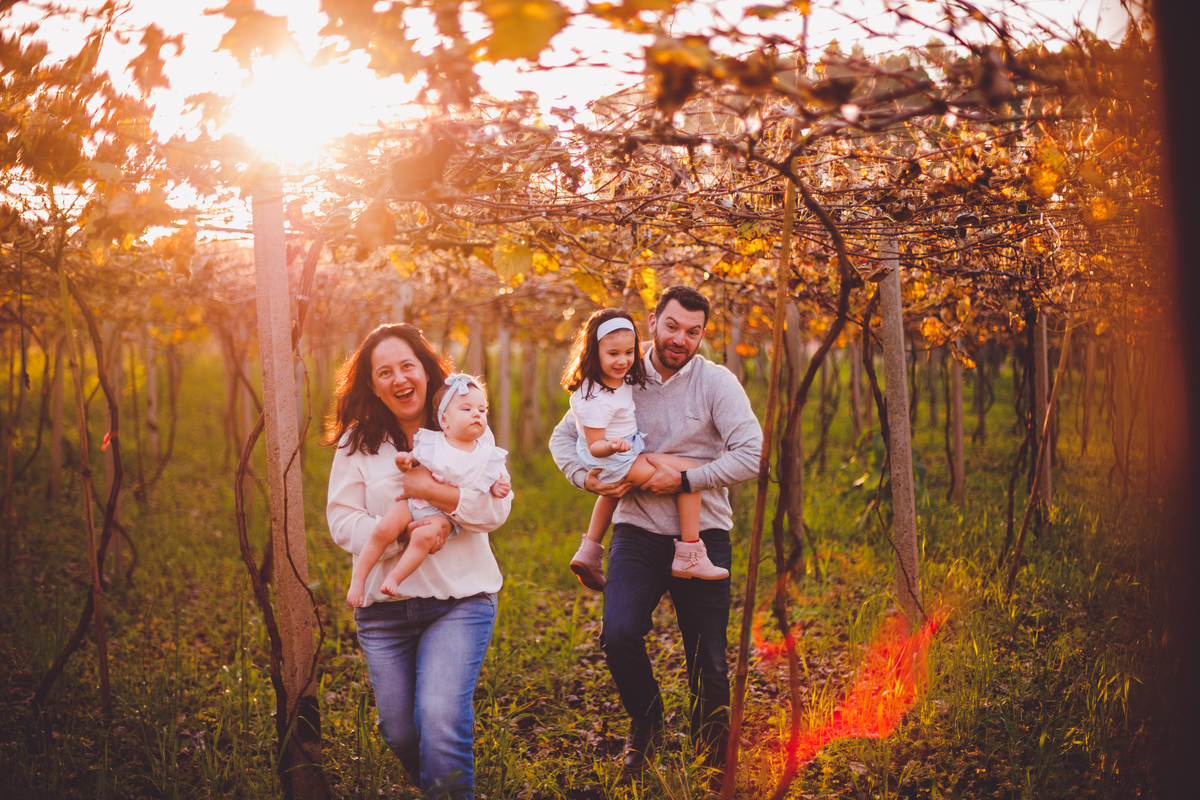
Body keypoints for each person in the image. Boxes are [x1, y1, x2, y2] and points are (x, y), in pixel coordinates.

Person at [549, 285, 762, 774]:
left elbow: (751, 454)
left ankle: (709, 760)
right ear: (653, 321)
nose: (680, 339)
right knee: (619, 633)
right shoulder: (620, 369)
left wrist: (686, 479)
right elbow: (566, 435)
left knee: (707, 655)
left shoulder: (717, 383)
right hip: (637, 531)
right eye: (672, 326)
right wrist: (585, 477)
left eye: (693, 332)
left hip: (704, 533)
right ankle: (647, 724)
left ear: (703, 334)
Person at [325, 324, 511, 799]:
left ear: (427, 372)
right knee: (401, 732)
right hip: (383, 613)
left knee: (442, 719)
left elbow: (495, 508)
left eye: (407, 365)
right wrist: (405, 531)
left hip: (459, 602)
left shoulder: (465, 423)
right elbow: (342, 522)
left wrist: (439, 503)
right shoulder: (356, 444)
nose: (399, 378)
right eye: (384, 372)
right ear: (371, 385)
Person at [562, 308, 729, 590]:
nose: (624, 360)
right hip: (613, 458)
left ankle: (589, 552)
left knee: (615, 492)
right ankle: (690, 554)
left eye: (629, 352)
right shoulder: (593, 398)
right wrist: (612, 446)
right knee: (691, 471)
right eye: (613, 354)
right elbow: (594, 446)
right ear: (594, 352)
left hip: (620, 457)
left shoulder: (611, 379)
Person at [346, 373, 511, 606]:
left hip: (442, 516)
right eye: (466, 409)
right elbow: (415, 458)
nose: (476, 414)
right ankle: (358, 580)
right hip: (413, 504)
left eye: (482, 410)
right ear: (445, 420)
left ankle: (395, 578)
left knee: (424, 538)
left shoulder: (485, 454)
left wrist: (498, 485)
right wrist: (406, 459)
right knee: (384, 529)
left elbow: (490, 480)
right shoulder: (435, 442)